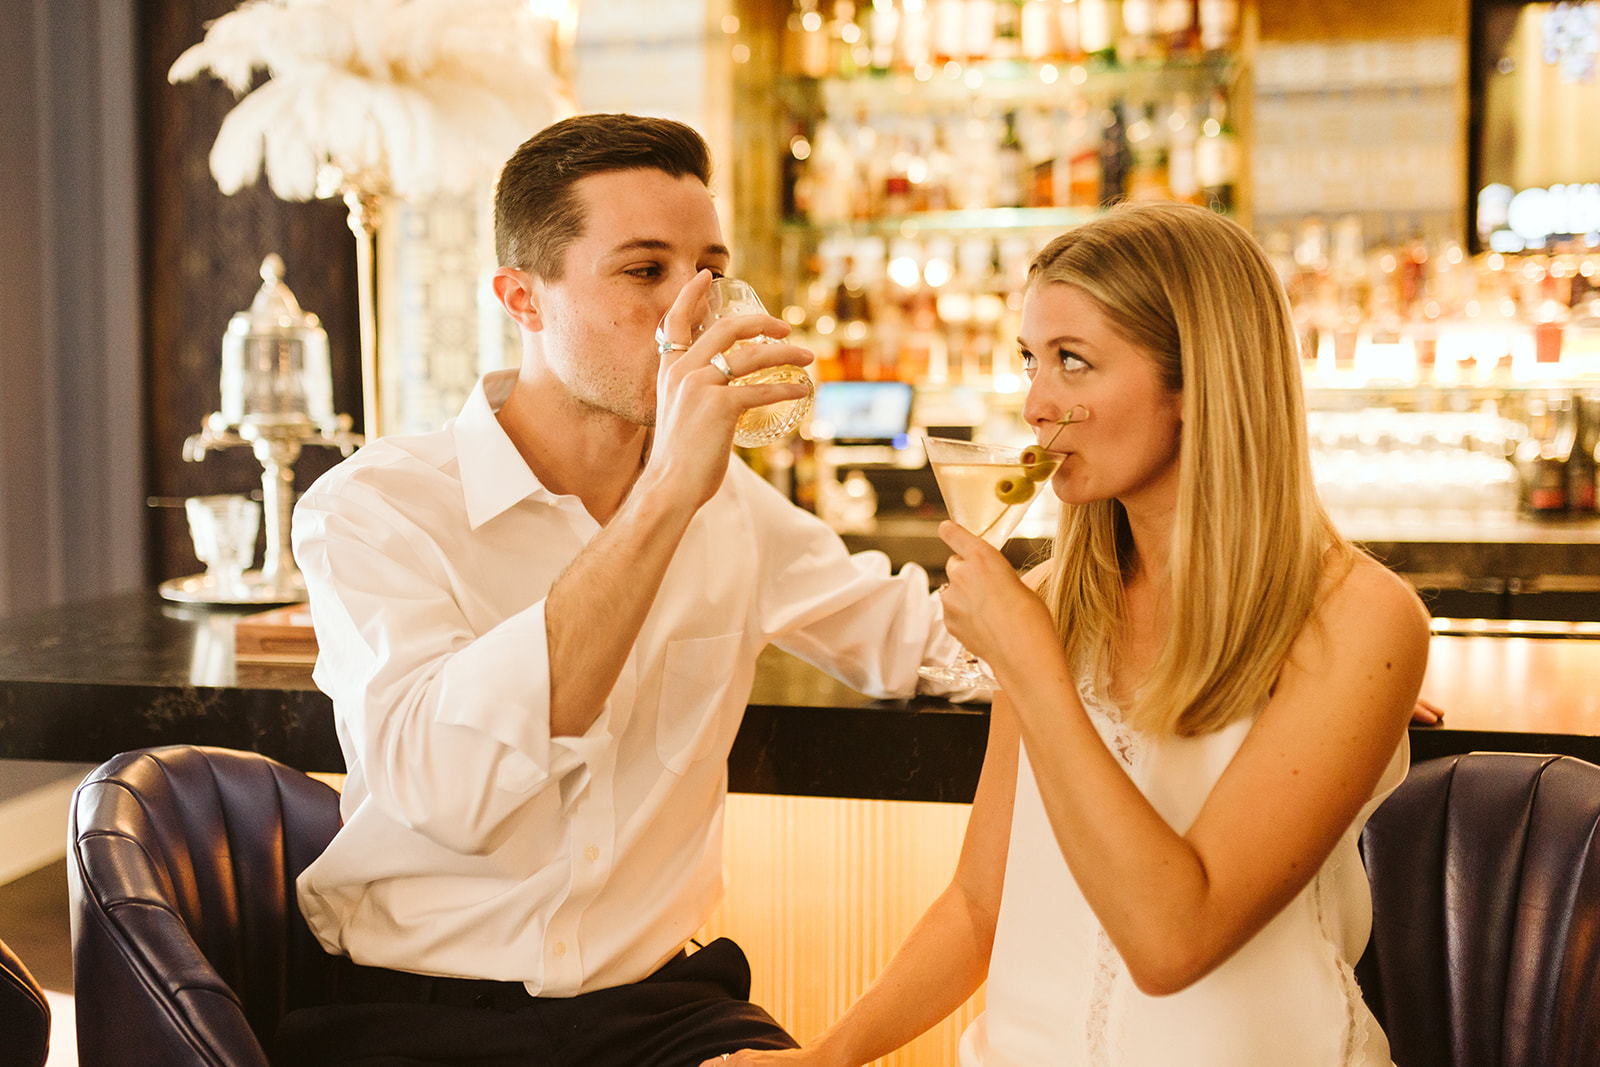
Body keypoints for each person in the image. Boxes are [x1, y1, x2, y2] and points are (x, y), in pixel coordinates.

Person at [271, 112, 968, 1066]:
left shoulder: (733, 507)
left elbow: (931, 644)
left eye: (708, 269)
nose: (694, 309)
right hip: (411, 1014)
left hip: (665, 1013)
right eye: (645, 271)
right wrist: (668, 496)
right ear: (523, 298)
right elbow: (449, 791)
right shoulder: (374, 508)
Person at [710, 202, 1431, 1067]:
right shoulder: (1057, 599)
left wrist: (1031, 664)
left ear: (1200, 382)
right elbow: (981, 903)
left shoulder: (1359, 620)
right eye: (1030, 359)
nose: (1035, 405)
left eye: (1073, 363)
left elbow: (1174, 939)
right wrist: (822, 1059)